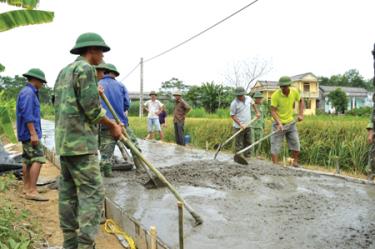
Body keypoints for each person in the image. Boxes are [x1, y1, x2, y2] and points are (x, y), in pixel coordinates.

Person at [53, 32, 122, 249]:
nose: (103, 56)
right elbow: (93, 111)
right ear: (91, 50)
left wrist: (93, 89)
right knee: (92, 194)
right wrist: (114, 126)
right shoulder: (86, 69)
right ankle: (85, 245)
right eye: (101, 51)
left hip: (65, 145)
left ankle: (70, 243)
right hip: (82, 146)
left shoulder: (64, 72)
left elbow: (62, 101)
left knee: (68, 195)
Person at [16, 68, 48, 201]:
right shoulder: (29, 93)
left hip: (26, 133)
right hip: (30, 133)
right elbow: (28, 115)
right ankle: (32, 190)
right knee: (38, 158)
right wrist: (33, 134)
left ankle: (27, 187)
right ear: (36, 80)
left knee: (27, 159)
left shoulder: (27, 92)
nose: (42, 85)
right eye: (41, 82)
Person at [95, 63, 132, 177]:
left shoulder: (97, 85)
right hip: (121, 123)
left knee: (106, 153)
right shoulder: (121, 85)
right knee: (133, 146)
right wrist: (120, 110)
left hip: (106, 123)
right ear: (114, 74)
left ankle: (108, 175)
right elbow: (127, 104)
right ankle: (141, 168)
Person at [270, 76, 304, 167]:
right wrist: (279, 123)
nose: (283, 88)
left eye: (285, 86)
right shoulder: (275, 95)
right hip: (278, 123)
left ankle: (294, 162)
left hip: (290, 123)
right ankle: (275, 165)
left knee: (295, 143)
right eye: (281, 86)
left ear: (289, 85)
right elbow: (273, 111)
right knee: (275, 145)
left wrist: (301, 114)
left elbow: (301, 101)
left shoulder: (294, 91)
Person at [230, 87, 260, 161]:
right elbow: (232, 115)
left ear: (244, 94)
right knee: (239, 144)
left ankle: (248, 157)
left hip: (248, 125)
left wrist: (257, 112)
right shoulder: (234, 103)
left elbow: (253, 103)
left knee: (248, 142)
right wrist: (240, 124)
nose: (239, 97)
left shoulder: (248, 98)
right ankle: (238, 158)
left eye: (241, 95)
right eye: (238, 96)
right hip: (238, 127)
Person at [250, 91, 267, 156]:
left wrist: (263, 126)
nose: (259, 99)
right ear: (255, 98)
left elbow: (263, 117)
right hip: (252, 126)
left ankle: (257, 154)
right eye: (258, 98)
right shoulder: (251, 106)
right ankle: (252, 155)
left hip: (260, 127)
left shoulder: (263, 106)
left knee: (259, 142)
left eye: (260, 98)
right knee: (252, 142)